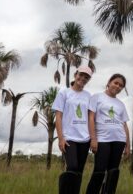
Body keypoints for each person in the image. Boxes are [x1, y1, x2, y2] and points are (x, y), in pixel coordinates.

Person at [86, 73, 130, 194]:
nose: (118, 86)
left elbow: (124, 125)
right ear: (109, 82)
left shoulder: (120, 104)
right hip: (103, 139)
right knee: (99, 171)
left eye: (121, 85)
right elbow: (91, 118)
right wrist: (93, 139)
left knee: (113, 172)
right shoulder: (97, 97)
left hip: (119, 140)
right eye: (116, 83)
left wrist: (128, 145)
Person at [52, 65, 93, 194]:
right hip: (69, 137)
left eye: (86, 77)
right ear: (76, 75)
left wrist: (92, 137)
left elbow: (90, 118)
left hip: (85, 138)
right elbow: (58, 116)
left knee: (79, 170)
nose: (83, 78)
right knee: (72, 167)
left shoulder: (88, 96)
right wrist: (61, 138)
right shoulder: (64, 92)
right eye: (81, 75)